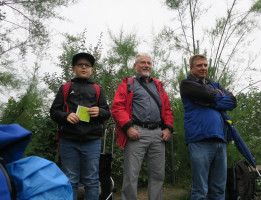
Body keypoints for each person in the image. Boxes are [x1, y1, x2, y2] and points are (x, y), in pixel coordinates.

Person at [111, 53, 173, 200]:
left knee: (158, 175)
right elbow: (117, 107)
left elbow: (168, 109)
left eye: (149, 63)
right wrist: (128, 127)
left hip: (158, 134)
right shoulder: (128, 83)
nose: (146, 65)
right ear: (135, 65)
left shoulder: (158, 85)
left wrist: (168, 128)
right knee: (131, 175)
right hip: (136, 132)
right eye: (142, 62)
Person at [50, 52, 110, 200]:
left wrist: (99, 111)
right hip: (68, 140)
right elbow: (53, 111)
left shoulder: (97, 89)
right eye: (80, 65)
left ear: (91, 70)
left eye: (87, 65)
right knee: (70, 179)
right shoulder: (65, 88)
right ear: (73, 68)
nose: (84, 67)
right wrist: (66, 116)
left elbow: (107, 113)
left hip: (92, 141)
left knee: (92, 180)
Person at [180, 54, 237, 200]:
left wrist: (210, 101)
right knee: (200, 190)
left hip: (220, 140)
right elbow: (203, 92)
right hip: (199, 140)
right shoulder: (186, 84)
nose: (203, 68)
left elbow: (232, 102)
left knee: (218, 189)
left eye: (205, 65)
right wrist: (217, 97)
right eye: (199, 65)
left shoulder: (215, 85)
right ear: (191, 68)